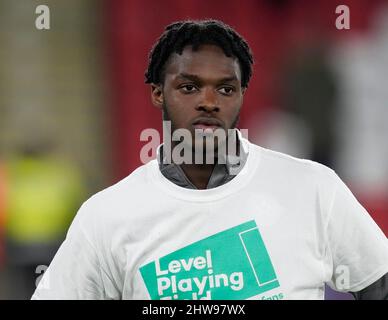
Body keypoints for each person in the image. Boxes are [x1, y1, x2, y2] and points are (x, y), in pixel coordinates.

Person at [32, 19, 388, 300]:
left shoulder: (313, 188)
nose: (209, 101)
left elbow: (378, 283)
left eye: (225, 89)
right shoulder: (107, 216)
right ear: (158, 93)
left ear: (241, 95)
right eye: (189, 87)